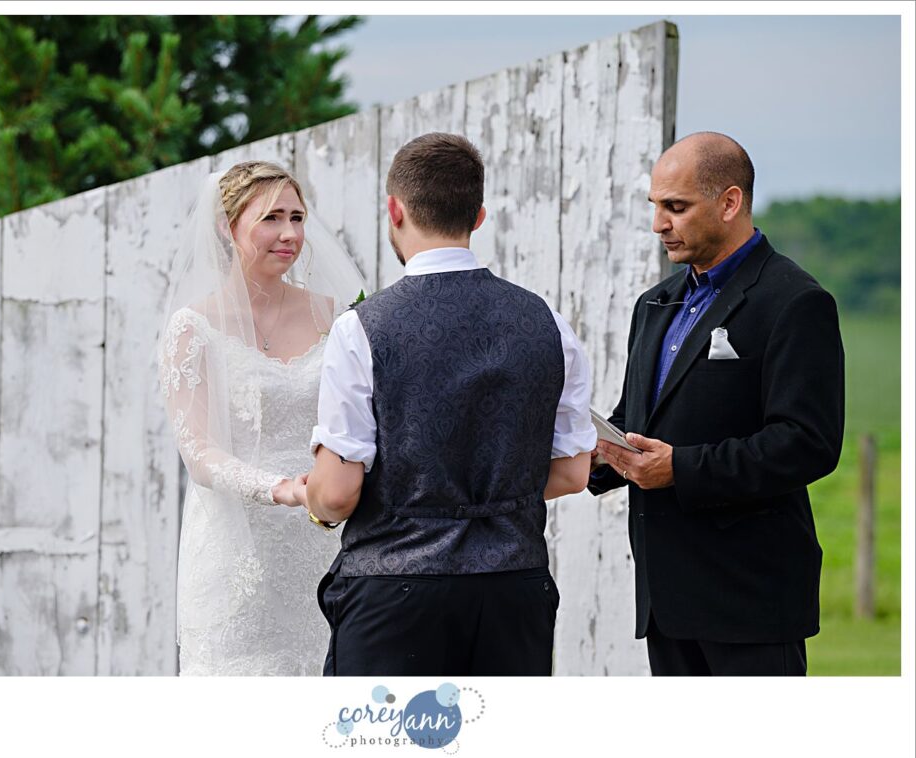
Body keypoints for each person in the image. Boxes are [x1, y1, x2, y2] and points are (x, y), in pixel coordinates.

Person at [296, 132, 596, 676]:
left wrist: (315, 503)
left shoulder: (362, 329)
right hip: (514, 592)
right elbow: (574, 473)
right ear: (478, 216)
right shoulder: (547, 323)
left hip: (396, 595)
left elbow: (337, 495)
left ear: (395, 209)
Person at [590, 132, 845, 676]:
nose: (659, 223)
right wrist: (593, 450)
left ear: (730, 203)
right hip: (666, 601)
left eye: (676, 207)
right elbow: (637, 421)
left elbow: (808, 444)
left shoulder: (796, 302)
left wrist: (678, 469)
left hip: (749, 601)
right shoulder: (654, 304)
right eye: (656, 207)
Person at [157, 161, 366, 675]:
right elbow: (200, 455)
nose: (290, 233)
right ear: (227, 229)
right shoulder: (192, 328)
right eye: (271, 218)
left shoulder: (338, 317)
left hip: (324, 544)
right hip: (236, 553)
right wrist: (283, 488)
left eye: (297, 217)